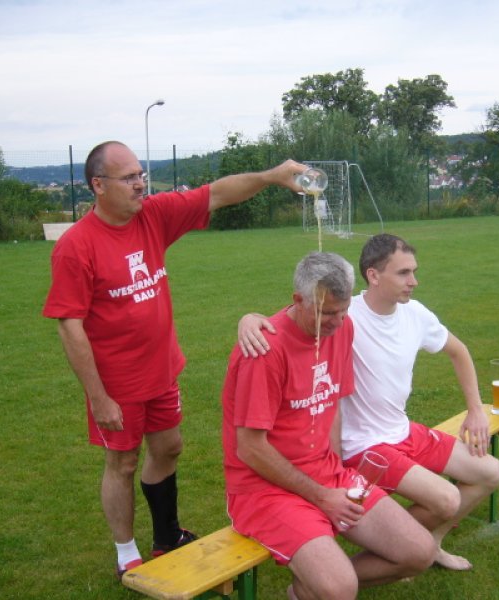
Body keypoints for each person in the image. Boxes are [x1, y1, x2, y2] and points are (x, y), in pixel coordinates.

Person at [43, 140, 308, 578]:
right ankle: (126, 552)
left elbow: (216, 194)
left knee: (169, 448)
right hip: (117, 385)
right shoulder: (76, 246)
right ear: (98, 185)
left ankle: (166, 536)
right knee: (122, 463)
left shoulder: (153, 216)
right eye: (128, 178)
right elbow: (70, 326)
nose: (139, 184)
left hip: (162, 371)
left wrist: (270, 177)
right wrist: (99, 397)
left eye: (140, 174)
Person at [239, 234, 499, 572]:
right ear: (374, 276)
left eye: (414, 271)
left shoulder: (412, 314)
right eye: (404, 272)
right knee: (446, 498)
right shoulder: (346, 314)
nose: (414, 281)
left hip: (402, 430)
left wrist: (476, 410)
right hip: (364, 443)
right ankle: (389, 552)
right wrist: (249, 318)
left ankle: (429, 543)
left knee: (491, 473)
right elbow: (300, 311)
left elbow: (459, 351)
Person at [223, 252, 435, 600]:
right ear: (298, 300)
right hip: (263, 490)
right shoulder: (265, 351)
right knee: (339, 588)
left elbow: (332, 403)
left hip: (327, 474)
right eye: (326, 313)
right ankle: (326, 584)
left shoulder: (343, 328)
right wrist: (322, 497)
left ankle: (308, 589)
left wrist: (334, 468)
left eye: (343, 310)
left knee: (419, 552)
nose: (337, 321)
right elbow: (250, 448)